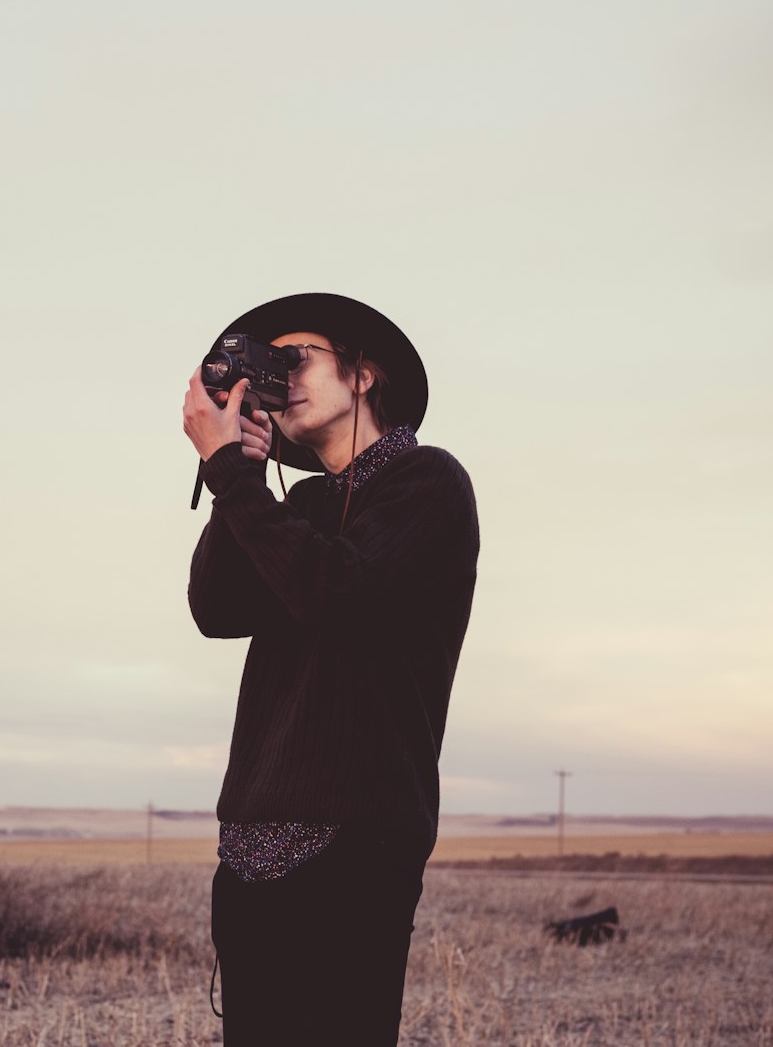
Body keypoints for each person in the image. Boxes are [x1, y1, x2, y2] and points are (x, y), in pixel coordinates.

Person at [180, 292, 480, 1045]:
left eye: (296, 358)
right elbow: (216, 609)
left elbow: (336, 592)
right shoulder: (298, 504)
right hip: (250, 844)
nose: (281, 377)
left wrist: (236, 479)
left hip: (357, 841)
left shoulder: (428, 483)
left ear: (364, 373)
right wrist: (235, 471)